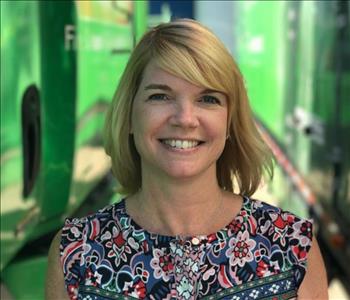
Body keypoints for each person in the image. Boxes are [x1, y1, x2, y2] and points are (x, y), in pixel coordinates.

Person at [46, 19, 328, 299]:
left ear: (229, 121)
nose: (185, 119)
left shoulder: (292, 246)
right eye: (160, 96)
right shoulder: (76, 253)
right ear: (129, 115)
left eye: (208, 99)